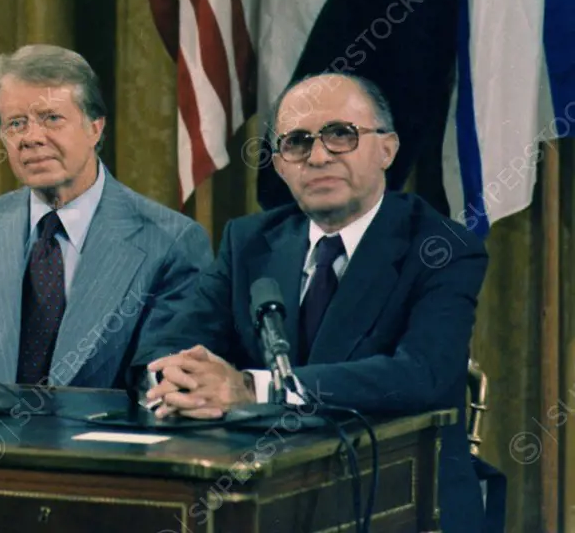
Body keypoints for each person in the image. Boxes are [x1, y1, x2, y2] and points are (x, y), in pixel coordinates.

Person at [133, 74, 486, 533]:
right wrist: (177, 379)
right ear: (280, 165)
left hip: (399, 496)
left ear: (387, 149)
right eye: (297, 142)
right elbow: (163, 348)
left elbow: (422, 375)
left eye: (341, 135)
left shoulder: (441, 246)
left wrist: (253, 387)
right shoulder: (249, 242)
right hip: (262, 494)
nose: (318, 156)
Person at [0, 45, 213, 389]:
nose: (31, 138)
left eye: (51, 118)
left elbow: (160, 385)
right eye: (16, 124)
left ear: (95, 128)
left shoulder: (170, 242)